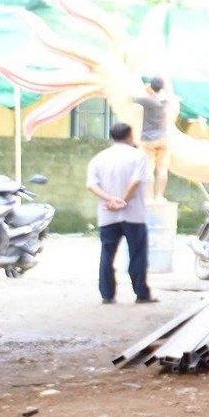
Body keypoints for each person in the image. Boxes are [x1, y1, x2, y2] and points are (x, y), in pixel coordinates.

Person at [86, 121, 155, 304]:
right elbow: (136, 181)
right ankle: (141, 294)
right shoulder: (138, 156)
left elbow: (91, 185)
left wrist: (110, 200)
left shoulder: (99, 158)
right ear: (130, 136)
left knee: (107, 254)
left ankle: (107, 295)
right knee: (137, 254)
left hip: (108, 214)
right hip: (133, 213)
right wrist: (122, 200)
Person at [133, 75, 176, 201]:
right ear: (162, 88)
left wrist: (147, 88)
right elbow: (168, 93)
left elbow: (132, 98)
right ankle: (160, 196)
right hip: (164, 138)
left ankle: (149, 197)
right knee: (162, 168)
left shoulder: (147, 100)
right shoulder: (166, 101)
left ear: (151, 87)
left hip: (147, 139)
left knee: (148, 169)